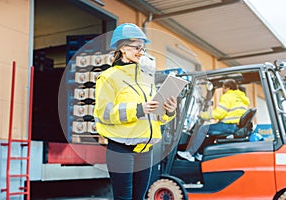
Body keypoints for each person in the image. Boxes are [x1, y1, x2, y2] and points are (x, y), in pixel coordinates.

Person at [94, 23, 177, 200]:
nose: (141, 51)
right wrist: (138, 109)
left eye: (143, 47)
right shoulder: (108, 77)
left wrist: (168, 111)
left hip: (145, 150)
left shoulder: (146, 78)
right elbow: (104, 113)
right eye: (137, 47)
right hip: (121, 148)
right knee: (124, 197)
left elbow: (156, 116)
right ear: (123, 48)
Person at [177, 79, 250, 162]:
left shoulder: (228, 96)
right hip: (234, 126)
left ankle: (189, 153)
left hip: (228, 126)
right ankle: (200, 154)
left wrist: (203, 115)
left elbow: (219, 114)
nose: (223, 90)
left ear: (227, 88)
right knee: (211, 132)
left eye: (223, 88)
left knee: (203, 129)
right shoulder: (241, 98)